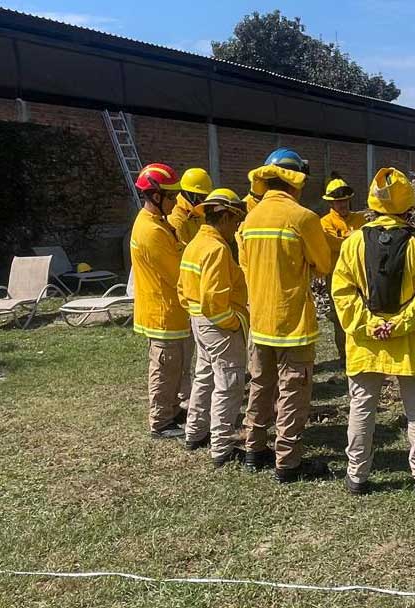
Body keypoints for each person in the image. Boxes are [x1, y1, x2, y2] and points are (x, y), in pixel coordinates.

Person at [331, 168, 415, 495]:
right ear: (409, 204)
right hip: (411, 345)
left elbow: (342, 293)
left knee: (362, 409)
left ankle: (357, 476)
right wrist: (399, 324)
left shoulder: (352, 243)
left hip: (366, 343)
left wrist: (370, 325)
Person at [237, 148, 333, 482]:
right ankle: (288, 462)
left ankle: (253, 449)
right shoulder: (303, 218)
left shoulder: (249, 219)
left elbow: (246, 266)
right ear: (296, 179)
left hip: (260, 320)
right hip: (292, 323)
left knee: (261, 386)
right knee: (292, 391)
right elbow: (324, 265)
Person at [177, 188, 249, 466]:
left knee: (204, 376)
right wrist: (232, 324)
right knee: (228, 383)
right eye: (236, 221)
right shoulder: (217, 249)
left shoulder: (194, 244)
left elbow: (182, 290)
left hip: (199, 321)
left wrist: (199, 315)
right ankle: (221, 447)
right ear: (225, 216)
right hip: (219, 324)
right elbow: (214, 300)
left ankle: (195, 432)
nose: (237, 227)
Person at [130, 163, 191, 439]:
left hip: (169, 310)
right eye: (170, 195)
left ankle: (172, 409)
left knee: (175, 366)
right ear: (155, 195)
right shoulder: (151, 232)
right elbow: (176, 272)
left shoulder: (157, 223)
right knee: (164, 367)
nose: (176, 200)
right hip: (162, 312)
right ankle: (160, 421)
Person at [319, 173, 367, 361]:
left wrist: (348, 237)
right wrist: (355, 237)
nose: (343, 205)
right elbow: (334, 244)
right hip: (336, 276)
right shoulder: (324, 223)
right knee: (341, 316)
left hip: (360, 274)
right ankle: (344, 356)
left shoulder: (360, 219)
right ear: (331, 203)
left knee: (362, 312)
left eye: (345, 201)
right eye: (339, 202)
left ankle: (362, 351)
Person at [168, 168, 214, 245]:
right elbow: (183, 252)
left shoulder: (197, 212)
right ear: (190, 195)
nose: (205, 201)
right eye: (202, 197)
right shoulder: (176, 218)